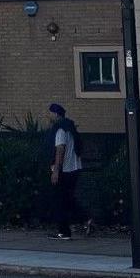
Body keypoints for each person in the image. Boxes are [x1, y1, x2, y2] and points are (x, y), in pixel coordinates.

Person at [48, 102, 88, 238]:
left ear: (55, 114)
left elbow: (60, 150)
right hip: (75, 167)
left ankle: (64, 231)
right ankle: (84, 218)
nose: (48, 116)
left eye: (50, 113)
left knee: (60, 200)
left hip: (65, 170)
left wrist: (56, 170)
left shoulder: (59, 130)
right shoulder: (70, 127)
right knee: (68, 198)